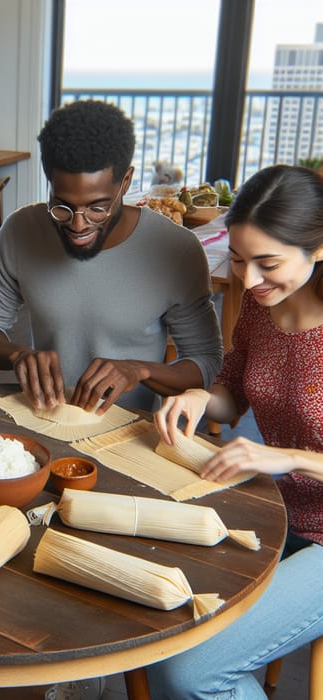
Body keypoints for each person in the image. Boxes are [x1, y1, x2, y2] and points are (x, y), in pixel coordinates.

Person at [148, 164, 323, 699]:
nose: (248, 280)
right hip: (276, 511)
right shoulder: (259, 304)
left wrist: (291, 457)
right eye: (240, 260)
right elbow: (232, 394)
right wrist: (203, 397)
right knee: (155, 617)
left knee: (189, 670)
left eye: (267, 264)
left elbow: (290, 454)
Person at [0, 99, 223, 414]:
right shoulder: (22, 230)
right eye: (62, 205)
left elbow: (206, 363)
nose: (77, 223)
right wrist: (16, 355)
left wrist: (139, 370)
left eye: (97, 207)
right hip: (47, 418)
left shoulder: (176, 251)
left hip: (130, 431)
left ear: (125, 182)